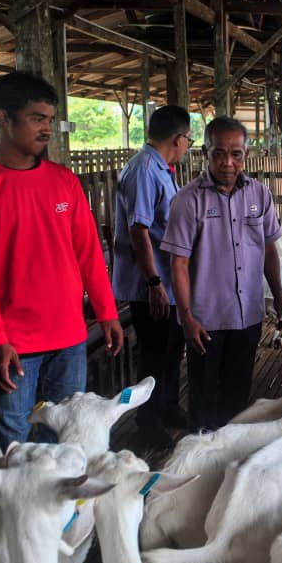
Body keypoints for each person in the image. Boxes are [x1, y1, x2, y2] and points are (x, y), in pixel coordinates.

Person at [0, 72, 123, 450]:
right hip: (14, 343)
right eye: (36, 118)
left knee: (64, 439)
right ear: (3, 118)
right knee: (14, 443)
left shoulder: (64, 182)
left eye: (50, 120)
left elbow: (88, 251)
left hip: (69, 335)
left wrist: (107, 313)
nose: (47, 128)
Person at [161, 116, 282, 430]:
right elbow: (177, 263)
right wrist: (187, 317)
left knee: (237, 398)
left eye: (236, 154)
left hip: (248, 317)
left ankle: (228, 462)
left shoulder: (259, 195)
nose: (228, 162)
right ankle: (200, 466)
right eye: (219, 153)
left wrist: (281, 301)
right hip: (206, 321)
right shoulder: (188, 200)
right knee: (204, 402)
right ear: (206, 152)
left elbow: (269, 250)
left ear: (246, 154)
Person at [112, 105, 192, 449]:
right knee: (154, 355)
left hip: (166, 283)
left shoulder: (159, 167)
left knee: (171, 350)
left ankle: (168, 407)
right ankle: (147, 421)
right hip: (152, 286)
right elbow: (139, 230)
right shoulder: (144, 170)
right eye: (188, 138)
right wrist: (154, 283)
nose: (188, 144)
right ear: (177, 138)